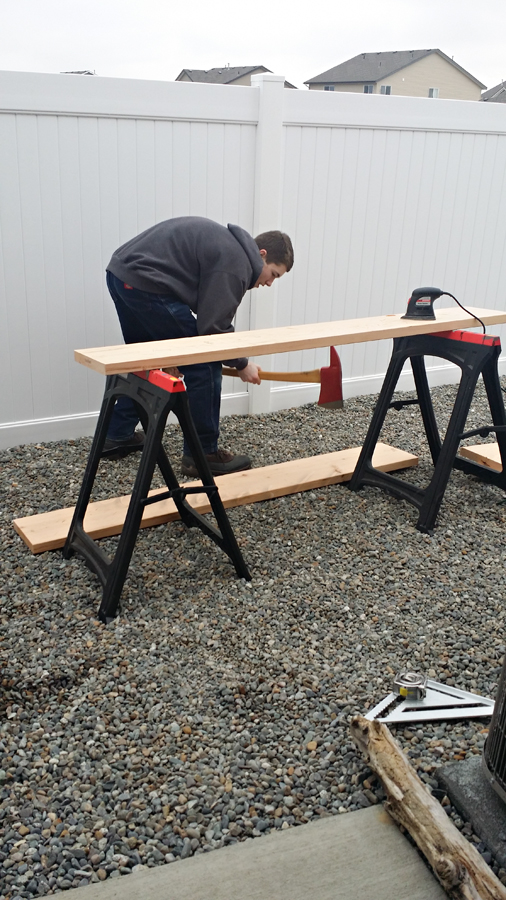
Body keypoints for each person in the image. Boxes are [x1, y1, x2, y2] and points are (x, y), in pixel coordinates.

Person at [102, 216, 294, 476]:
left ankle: (116, 435)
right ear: (261, 255)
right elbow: (213, 332)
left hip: (122, 276)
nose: (270, 283)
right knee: (204, 362)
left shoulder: (227, 248)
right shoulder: (236, 263)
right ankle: (202, 452)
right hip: (147, 284)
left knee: (146, 363)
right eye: (273, 274)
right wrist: (242, 364)